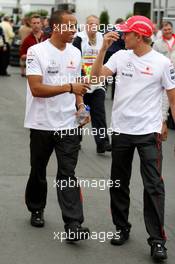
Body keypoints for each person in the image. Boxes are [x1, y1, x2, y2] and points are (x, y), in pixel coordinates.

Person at [91, 15, 175, 261]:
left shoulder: (161, 62)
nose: (122, 36)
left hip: (148, 133)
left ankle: (157, 240)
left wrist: (165, 122)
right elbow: (96, 79)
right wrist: (103, 49)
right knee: (118, 182)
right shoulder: (119, 56)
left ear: (139, 36)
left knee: (153, 186)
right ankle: (122, 227)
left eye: (127, 33)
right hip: (121, 131)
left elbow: (172, 97)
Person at [24, 10, 90, 241]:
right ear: (56, 27)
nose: (74, 29)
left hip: (68, 123)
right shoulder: (36, 52)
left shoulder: (75, 51)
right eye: (69, 25)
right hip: (41, 123)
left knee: (67, 173)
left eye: (75, 25)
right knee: (38, 170)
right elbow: (36, 89)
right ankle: (36, 207)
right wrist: (69, 88)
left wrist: (81, 106)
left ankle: (73, 224)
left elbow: (79, 82)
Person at [73, 15, 111, 154]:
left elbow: (107, 58)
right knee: (82, 111)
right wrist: (81, 78)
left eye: (95, 24)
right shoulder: (79, 38)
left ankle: (103, 143)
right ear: (86, 25)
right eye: (90, 24)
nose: (93, 26)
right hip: (82, 82)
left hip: (97, 83)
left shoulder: (103, 38)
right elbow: (74, 59)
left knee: (99, 113)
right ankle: (76, 140)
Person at [153, 21, 175, 130]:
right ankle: (162, 124)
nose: (167, 31)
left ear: (172, 29)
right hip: (164, 78)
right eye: (165, 29)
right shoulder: (157, 43)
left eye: (169, 29)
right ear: (162, 31)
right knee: (164, 104)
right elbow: (153, 60)